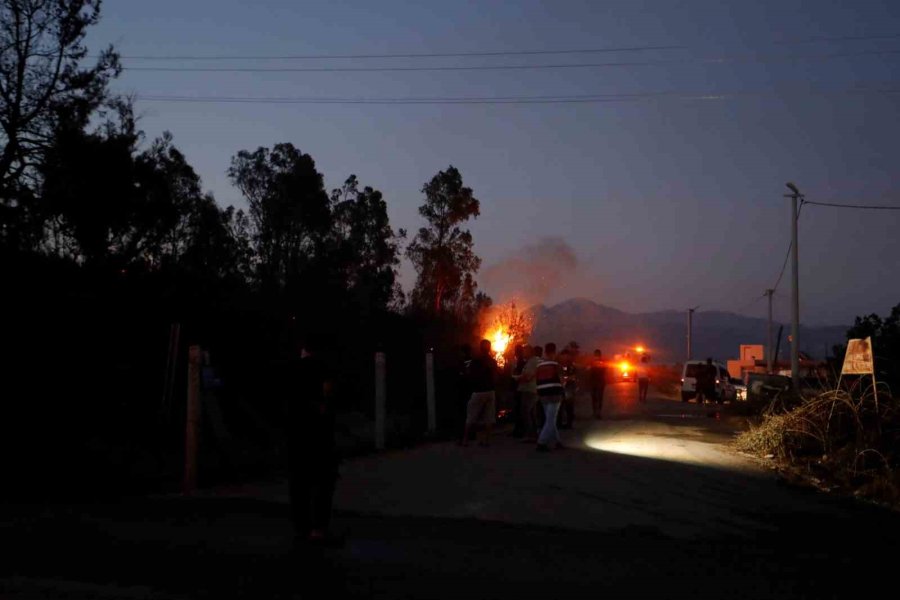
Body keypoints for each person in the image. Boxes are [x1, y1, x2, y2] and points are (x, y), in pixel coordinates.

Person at [284, 334, 340, 548]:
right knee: (322, 481)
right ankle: (318, 528)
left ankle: (301, 527)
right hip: (319, 434)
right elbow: (327, 397)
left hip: (296, 435)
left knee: (299, 482)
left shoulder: (292, 370)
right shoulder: (324, 368)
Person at [461, 339, 498, 447]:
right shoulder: (493, 361)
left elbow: (469, 375)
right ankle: (486, 441)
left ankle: (465, 440)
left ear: (480, 348)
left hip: (478, 391)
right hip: (490, 392)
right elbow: (496, 378)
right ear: (489, 348)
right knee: (488, 417)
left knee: (471, 416)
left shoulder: (475, 360)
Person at [535, 342, 565, 452]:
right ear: (554, 352)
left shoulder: (539, 365)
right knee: (551, 420)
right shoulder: (556, 365)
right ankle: (541, 442)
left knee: (549, 418)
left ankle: (557, 441)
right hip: (554, 394)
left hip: (543, 394)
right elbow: (562, 381)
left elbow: (535, 379)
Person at [514, 345, 540, 442]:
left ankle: (529, 435)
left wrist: (517, 378)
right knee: (532, 413)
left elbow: (528, 377)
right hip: (533, 390)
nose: (523, 353)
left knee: (526, 412)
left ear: (529, 352)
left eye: (525, 351)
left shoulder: (532, 362)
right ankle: (534, 434)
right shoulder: (534, 361)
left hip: (528, 390)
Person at [557, 349, 577, 429]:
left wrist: (567, 378)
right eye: (563, 355)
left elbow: (574, 376)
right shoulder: (559, 365)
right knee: (560, 406)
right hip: (560, 387)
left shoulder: (571, 365)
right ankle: (559, 423)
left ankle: (569, 423)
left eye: (566, 355)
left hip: (569, 387)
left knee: (569, 406)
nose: (565, 357)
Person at [511, 345, 527, 438]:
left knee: (519, 409)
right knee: (519, 409)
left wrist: (513, 376)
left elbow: (519, 374)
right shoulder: (520, 361)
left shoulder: (521, 362)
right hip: (518, 388)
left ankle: (519, 430)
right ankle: (518, 429)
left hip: (519, 388)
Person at [589, 349, 608, 419]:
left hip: (598, 382)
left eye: (597, 355)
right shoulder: (594, 363)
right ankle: (596, 412)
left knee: (597, 397)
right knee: (596, 397)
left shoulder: (598, 363)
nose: (596, 357)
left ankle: (597, 412)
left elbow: (604, 370)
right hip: (596, 382)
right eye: (596, 355)